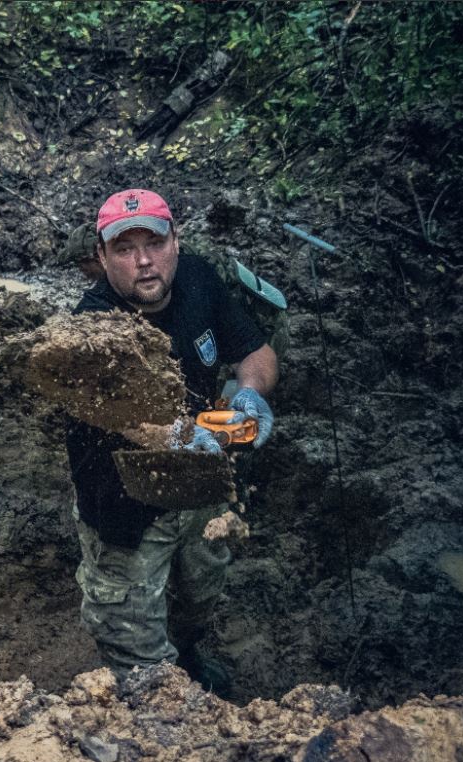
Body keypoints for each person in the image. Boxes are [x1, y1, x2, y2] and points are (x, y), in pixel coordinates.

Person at [65, 189, 278, 691]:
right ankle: (158, 704)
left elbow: (256, 350)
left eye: (154, 243)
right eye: (123, 248)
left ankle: (188, 655)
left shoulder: (199, 280)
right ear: (101, 256)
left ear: (175, 241)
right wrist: (179, 432)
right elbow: (115, 413)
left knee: (199, 594)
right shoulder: (91, 327)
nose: (143, 261)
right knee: (137, 649)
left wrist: (249, 393)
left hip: (201, 489)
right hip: (124, 504)